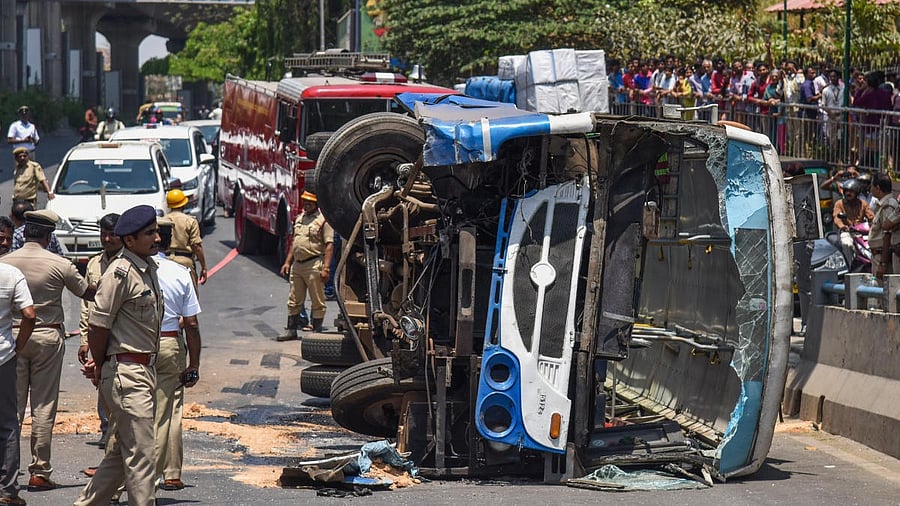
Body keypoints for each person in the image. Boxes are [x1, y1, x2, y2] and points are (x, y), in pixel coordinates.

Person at [0, 209, 96, 491]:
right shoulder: (60, 264)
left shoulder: (6, 261)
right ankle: (39, 471)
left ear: (24, 232)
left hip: (13, 336)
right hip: (48, 335)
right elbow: (87, 293)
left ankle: (8, 471)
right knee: (43, 406)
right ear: (48, 235)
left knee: (11, 408)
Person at [74, 205, 163, 506]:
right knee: (142, 456)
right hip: (127, 373)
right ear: (130, 241)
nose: (157, 237)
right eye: (149, 233)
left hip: (143, 372)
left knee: (119, 456)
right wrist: (98, 364)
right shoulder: (120, 273)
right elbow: (99, 325)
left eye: (155, 231)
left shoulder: (147, 268)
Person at [153, 217, 201, 491]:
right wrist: (193, 364)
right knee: (170, 410)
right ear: (169, 241)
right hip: (170, 344)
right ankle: (170, 474)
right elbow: (191, 323)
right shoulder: (180, 272)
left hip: (134, 349)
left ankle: (124, 481)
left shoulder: (127, 269)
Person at [78, 213, 124, 452]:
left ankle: (117, 433)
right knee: (100, 379)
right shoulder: (95, 263)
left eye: (112, 234)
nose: (107, 239)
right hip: (97, 333)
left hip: (121, 335)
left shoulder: (129, 263)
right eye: (103, 234)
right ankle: (107, 430)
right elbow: (87, 305)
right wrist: (85, 339)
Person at [0, 259, 35, 506]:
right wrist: (19, 345)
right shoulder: (11, 274)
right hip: (3, 357)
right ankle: (7, 491)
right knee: (7, 424)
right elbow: (29, 314)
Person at [277, 191, 334, 341]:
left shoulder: (323, 221)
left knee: (317, 300)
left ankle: (316, 331)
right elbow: (294, 243)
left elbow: (329, 246)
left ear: (316, 204)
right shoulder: (299, 219)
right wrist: (287, 262)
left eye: (310, 202)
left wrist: (326, 268)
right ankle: (291, 329)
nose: (306, 205)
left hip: (314, 264)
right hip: (298, 265)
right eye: (305, 202)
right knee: (294, 298)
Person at [165, 189, 208, 291]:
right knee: (189, 297)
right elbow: (196, 246)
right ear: (183, 204)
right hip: (185, 263)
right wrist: (204, 267)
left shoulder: (163, 220)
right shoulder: (190, 221)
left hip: (165, 261)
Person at [833, 179, 875, 264]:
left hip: (861, 232)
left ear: (857, 193)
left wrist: (875, 224)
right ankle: (850, 265)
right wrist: (842, 226)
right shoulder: (839, 203)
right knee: (847, 244)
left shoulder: (863, 204)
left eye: (851, 191)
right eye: (846, 191)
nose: (848, 193)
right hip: (847, 231)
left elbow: (872, 217)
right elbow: (836, 218)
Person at [869, 175, 900, 278]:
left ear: (877, 188)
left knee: (884, 291)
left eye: (872, 186)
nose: (870, 189)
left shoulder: (888, 206)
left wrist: (883, 264)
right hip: (878, 255)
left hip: (882, 255)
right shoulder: (882, 205)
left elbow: (887, 234)